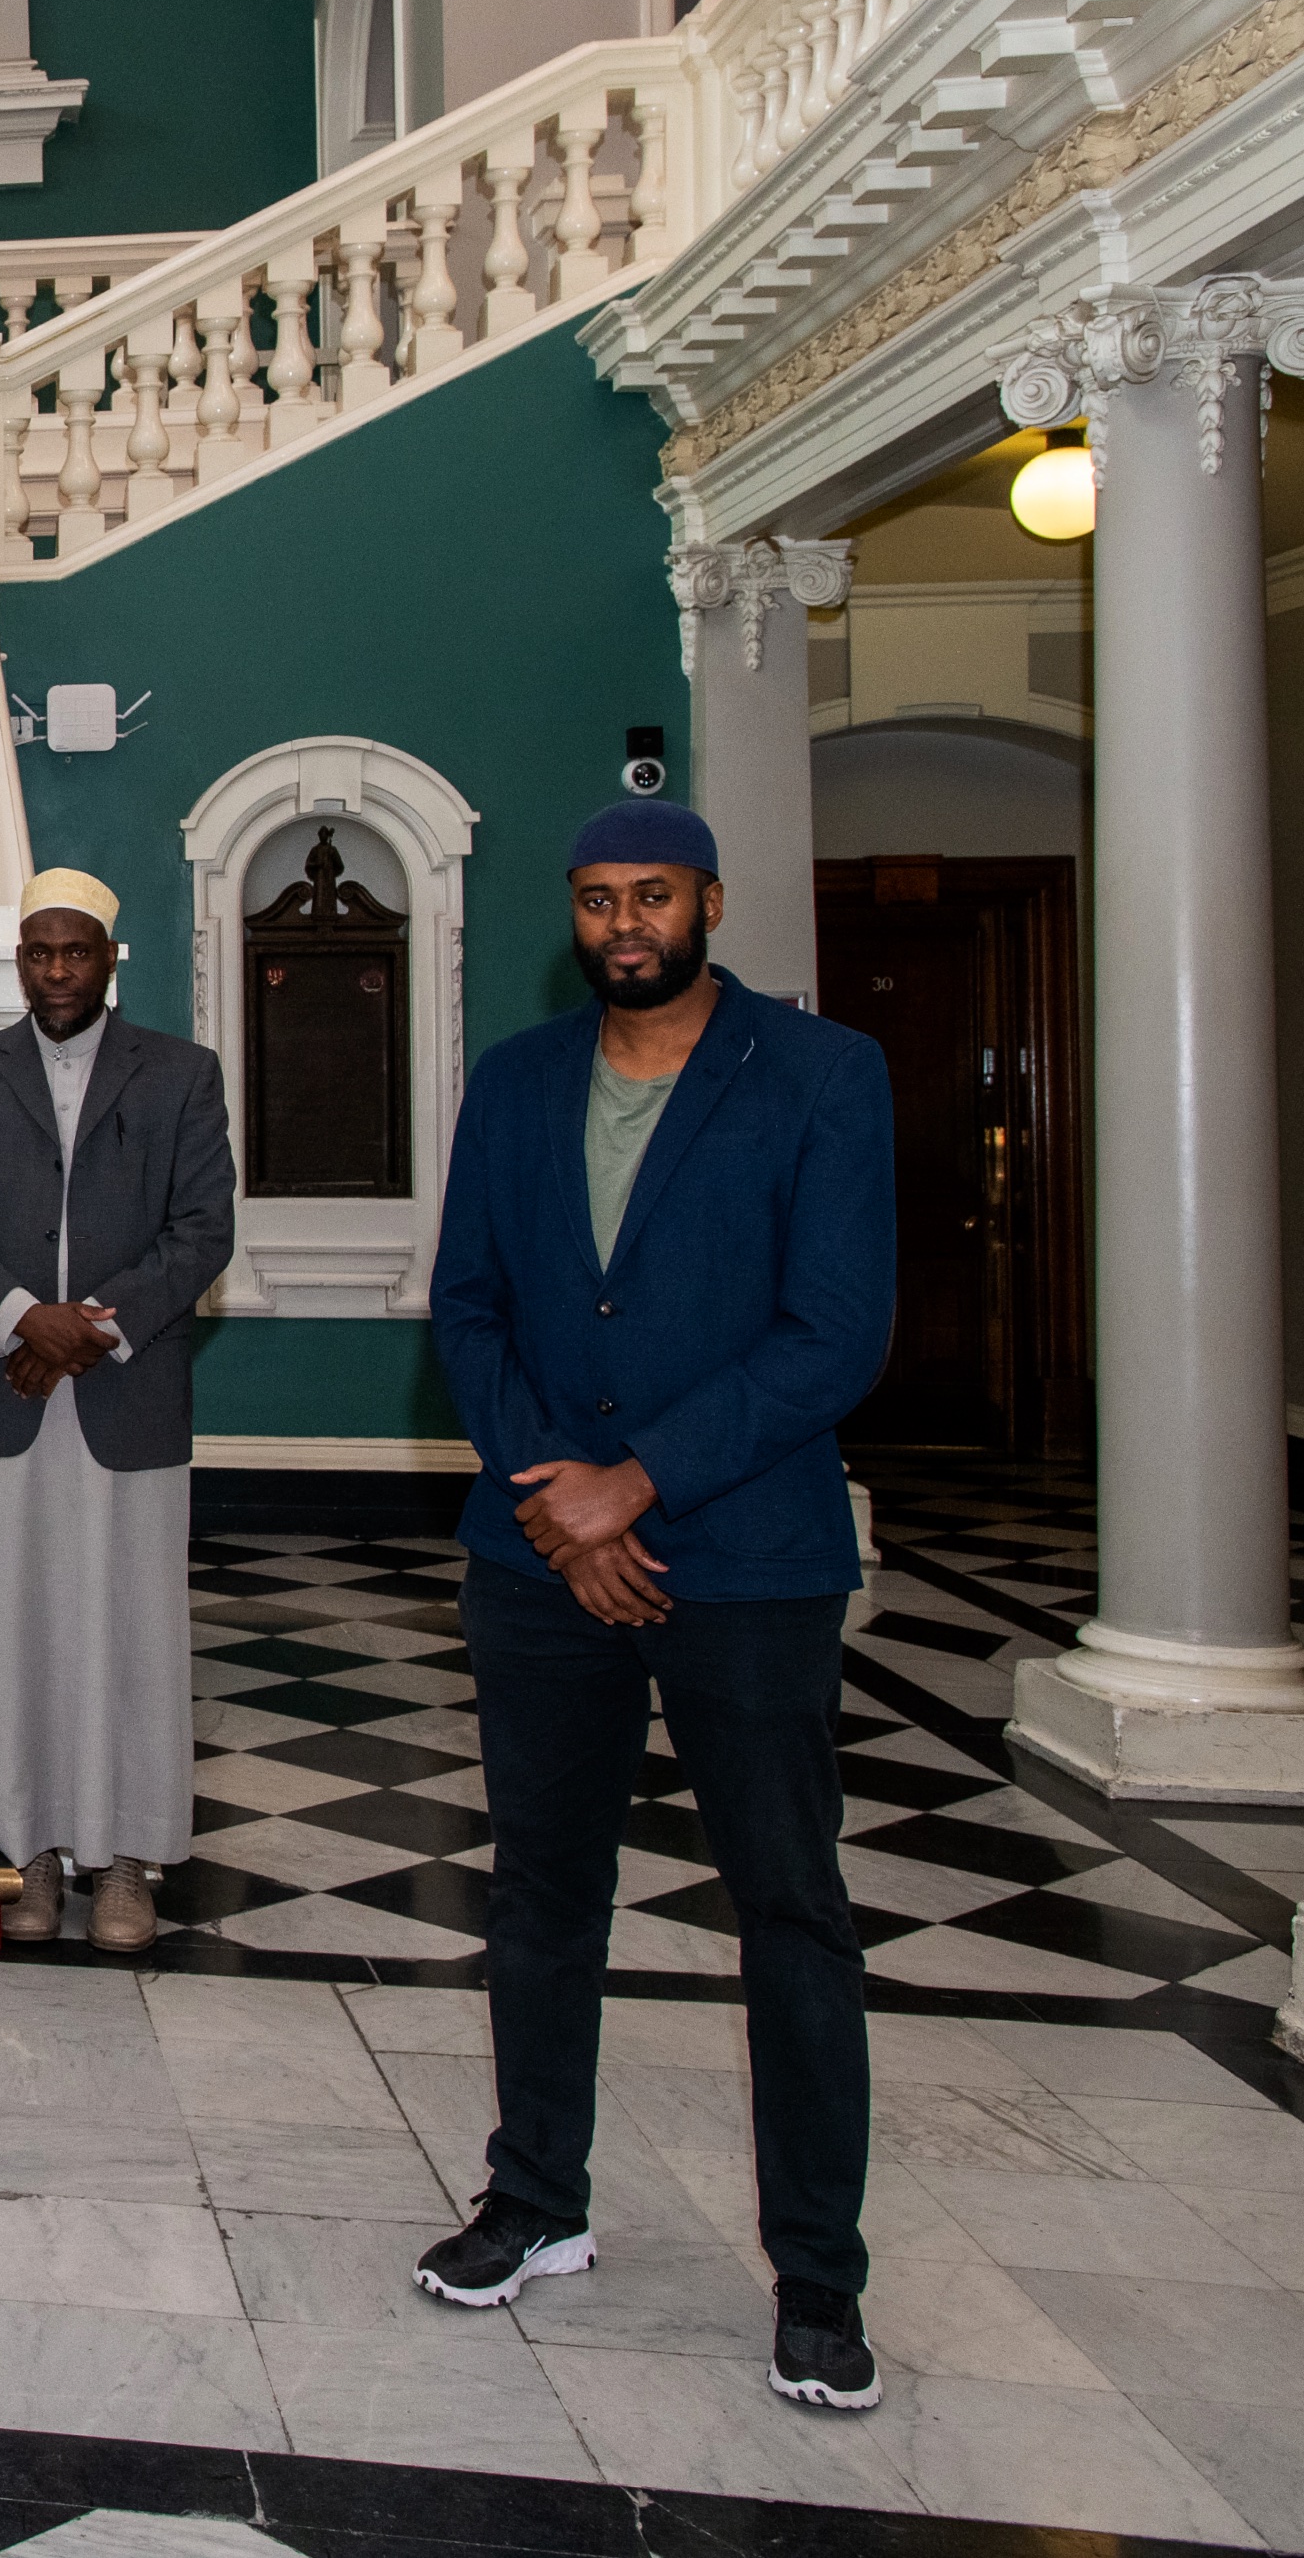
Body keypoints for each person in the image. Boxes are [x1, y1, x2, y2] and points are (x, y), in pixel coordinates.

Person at [417, 801, 895, 2415]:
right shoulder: (517, 1078)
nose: (625, 921)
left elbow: (834, 1331)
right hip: (540, 1552)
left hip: (746, 1558)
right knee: (545, 1894)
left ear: (707, 897)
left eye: (651, 894)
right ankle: (533, 2195)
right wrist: (563, 1495)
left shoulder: (821, 1076)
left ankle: (817, 2274)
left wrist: (641, 1480)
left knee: (788, 1910)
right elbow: (466, 1305)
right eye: (598, 898)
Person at [0, 869, 235, 1956]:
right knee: (3, 1629)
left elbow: (201, 1231)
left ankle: (126, 1859)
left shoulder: (182, 1075)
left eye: (73, 952)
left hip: (122, 1393)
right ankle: (27, 1852)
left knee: (128, 1632)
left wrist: (89, 1326)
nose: (54, 970)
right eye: (37, 952)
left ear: (106, 959)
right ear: (19, 960)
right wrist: (16, 1319)